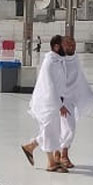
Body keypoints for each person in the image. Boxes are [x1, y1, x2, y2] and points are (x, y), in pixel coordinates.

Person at [21, 35, 70, 173]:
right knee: (49, 130)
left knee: (52, 130)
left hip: (55, 100)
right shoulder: (50, 61)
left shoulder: (59, 61)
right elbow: (49, 85)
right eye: (64, 45)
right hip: (47, 101)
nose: (66, 47)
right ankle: (51, 163)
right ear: (56, 46)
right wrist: (59, 105)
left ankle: (30, 147)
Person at [54, 36, 93, 169]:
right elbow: (55, 82)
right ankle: (62, 154)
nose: (72, 47)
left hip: (72, 98)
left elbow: (79, 78)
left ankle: (58, 153)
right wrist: (59, 103)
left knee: (68, 128)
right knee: (66, 128)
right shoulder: (58, 61)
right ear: (62, 46)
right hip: (61, 99)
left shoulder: (76, 59)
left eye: (73, 44)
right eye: (68, 44)